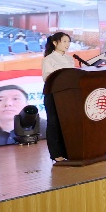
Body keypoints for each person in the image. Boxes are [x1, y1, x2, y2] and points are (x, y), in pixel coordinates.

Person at [40, 31, 76, 161]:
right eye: (64, 41)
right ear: (55, 43)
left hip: (68, 95)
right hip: (53, 94)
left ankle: (69, 151)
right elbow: (47, 78)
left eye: (68, 42)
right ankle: (56, 154)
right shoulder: (48, 59)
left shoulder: (70, 58)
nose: (67, 44)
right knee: (54, 123)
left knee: (68, 123)